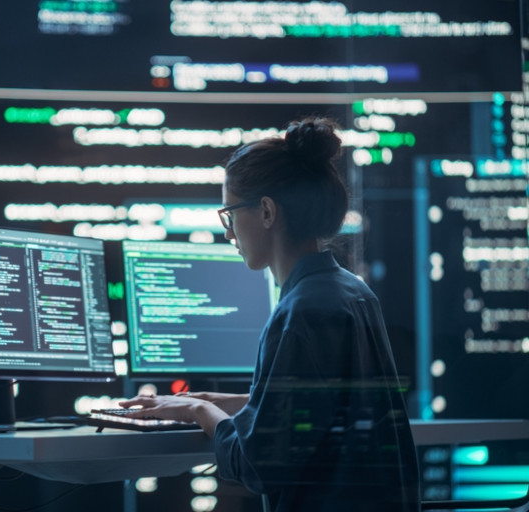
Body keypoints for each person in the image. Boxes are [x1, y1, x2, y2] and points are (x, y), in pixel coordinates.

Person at [119, 117, 421, 511]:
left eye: (229, 214)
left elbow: (258, 466)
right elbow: (325, 408)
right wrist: (226, 401)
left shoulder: (302, 312)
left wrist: (199, 410)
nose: (229, 234)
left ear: (265, 212)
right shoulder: (351, 291)